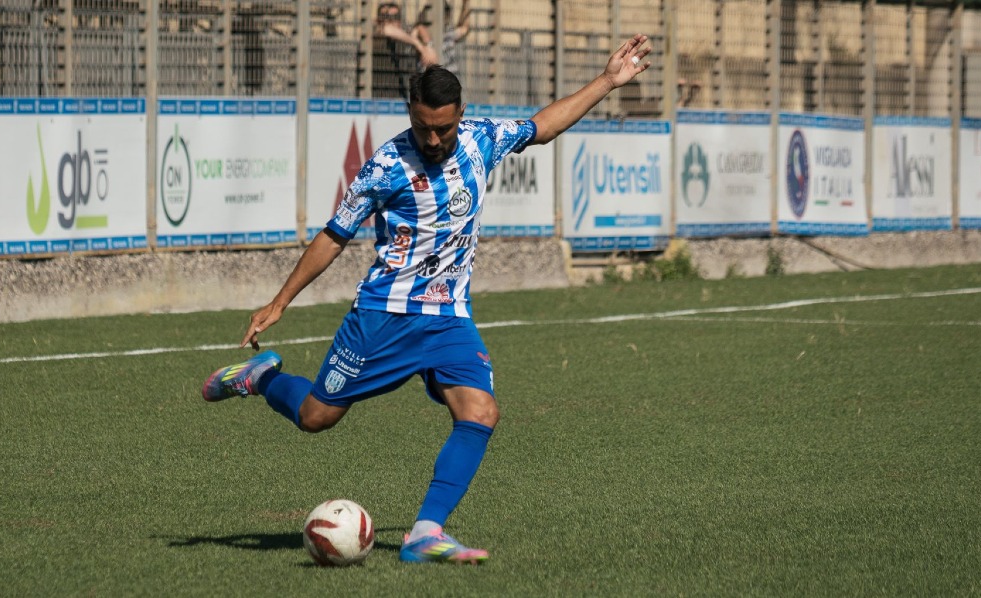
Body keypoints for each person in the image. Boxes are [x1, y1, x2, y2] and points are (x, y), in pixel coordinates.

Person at [201, 34, 652, 565]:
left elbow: (543, 127)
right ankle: (262, 378)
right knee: (317, 417)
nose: (434, 139)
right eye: (423, 127)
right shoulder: (384, 166)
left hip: (449, 320)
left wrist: (607, 81)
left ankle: (424, 533)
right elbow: (333, 236)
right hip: (383, 316)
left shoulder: (484, 139)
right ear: (409, 114)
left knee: (480, 412)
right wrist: (280, 302)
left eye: (444, 127)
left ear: (461, 114)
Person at [410, 0, 471, 73]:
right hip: (430, 79)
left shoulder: (447, 31)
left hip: (448, 77)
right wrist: (428, 45)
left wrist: (466, 4)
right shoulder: (418, 30)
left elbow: (464, 29)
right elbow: (419, 30)